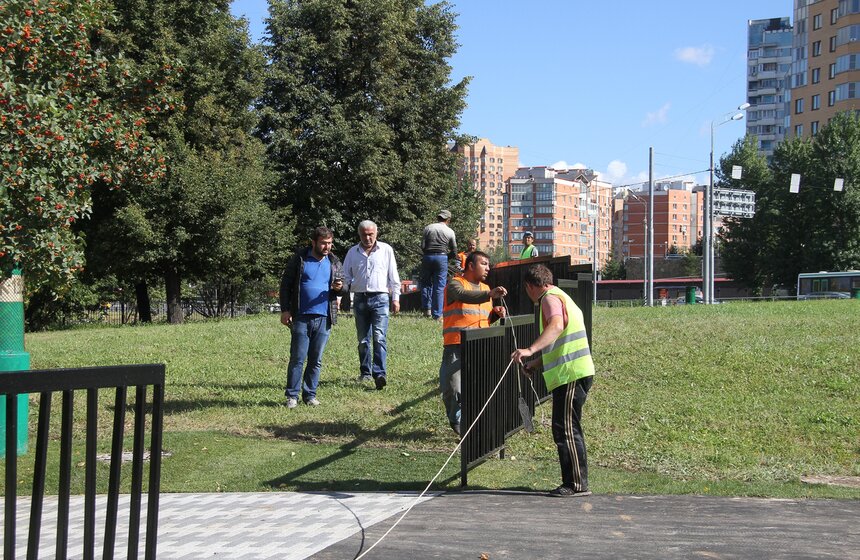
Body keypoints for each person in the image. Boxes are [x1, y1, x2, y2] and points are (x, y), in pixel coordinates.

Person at [511, 264, 594, 497]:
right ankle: (574, 482)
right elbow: (560, 341)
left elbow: (557, 326)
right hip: (572, 372)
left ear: (530, 286)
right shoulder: (560, 296)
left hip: (571, 373)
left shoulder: (549, 299)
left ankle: (576, 484)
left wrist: (529, 349)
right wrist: (535, 363)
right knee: (565, 427)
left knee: (566, 429)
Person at [279, 226, 348, 409]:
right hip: (301, 316)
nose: (327, 247)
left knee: (315, 360)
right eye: (324, 243)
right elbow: (285, 285)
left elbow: (345, 287)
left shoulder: (334, 261)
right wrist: (285, 310)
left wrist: (339, 288)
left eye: (330, 243)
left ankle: (310, 395)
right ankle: (292, 396)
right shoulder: (300, 259)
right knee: (298, 358)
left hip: (324, 317)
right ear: (314, 242)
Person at [440, 251, 507, 435]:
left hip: (480, 345)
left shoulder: (486, 289)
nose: (488, 268)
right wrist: (489, 294)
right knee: (452, 388)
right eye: (484, 264)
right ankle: (457, 420)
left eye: (488, 264)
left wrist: (495, 313)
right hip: (457, 344)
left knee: (478, 387)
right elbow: (463, 295)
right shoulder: (455, 284)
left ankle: (474, 426)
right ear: (470, 265)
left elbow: (483, 318)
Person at [342, 220, 401, 390]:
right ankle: (365, 372)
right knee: (362, 340)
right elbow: (346, 276)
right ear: (359, 235)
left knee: (379, 336)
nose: (368, 238)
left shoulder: (386, 250)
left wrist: (396, 298)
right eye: (364, 235)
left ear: (376, 233)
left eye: (371, 234)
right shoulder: (353, 252)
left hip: (381, 298)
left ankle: (379, 373)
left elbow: (393, 276)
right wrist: (339, 296)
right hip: (360, 298)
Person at [420, 209, 457, 319]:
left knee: (426, 283)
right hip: (442, 257)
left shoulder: (428, 228)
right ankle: (437, 314)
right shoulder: (450, 231)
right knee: (439, 287)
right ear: (448, 219)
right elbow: (454, 251)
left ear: (438, 217)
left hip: (427, 257)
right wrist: (446, 258)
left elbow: (422, 246)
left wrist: (427, 254)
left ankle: (427, 310)